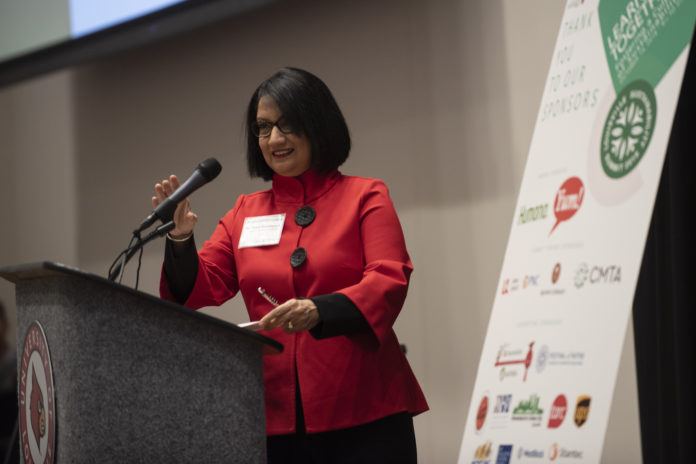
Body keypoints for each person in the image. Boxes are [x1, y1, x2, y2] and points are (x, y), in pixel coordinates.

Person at [155, 67, 428, 463]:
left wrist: (319, 309)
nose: (275, 139)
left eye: (288, 125)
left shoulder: (366, 195)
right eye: (264, 128)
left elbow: (388, 279)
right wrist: (179, 238)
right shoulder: (245, 213)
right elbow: (199, 287)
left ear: (319, 126)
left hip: (364, 412)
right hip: (276, 419)